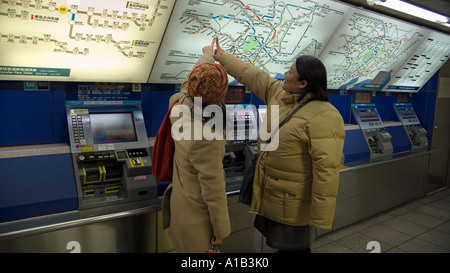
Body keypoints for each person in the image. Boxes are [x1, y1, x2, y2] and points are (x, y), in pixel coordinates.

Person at [212, 37, 345, 253]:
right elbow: (253, 75)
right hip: (273, 195)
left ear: (303, 83)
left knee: (295, 249)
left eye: (291, 71)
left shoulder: (326, 116)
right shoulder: (281, 95)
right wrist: (222, 57)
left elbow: (326, 172)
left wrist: (318, 218)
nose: (286, 74)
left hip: (294, 203)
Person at [161, 40, 231, 252]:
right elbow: (214, 190)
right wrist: (221, 230)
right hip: (197, 222)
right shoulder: (206, 137)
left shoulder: (179, 105)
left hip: (180, 208)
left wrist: (207, 55)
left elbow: (191, 82)